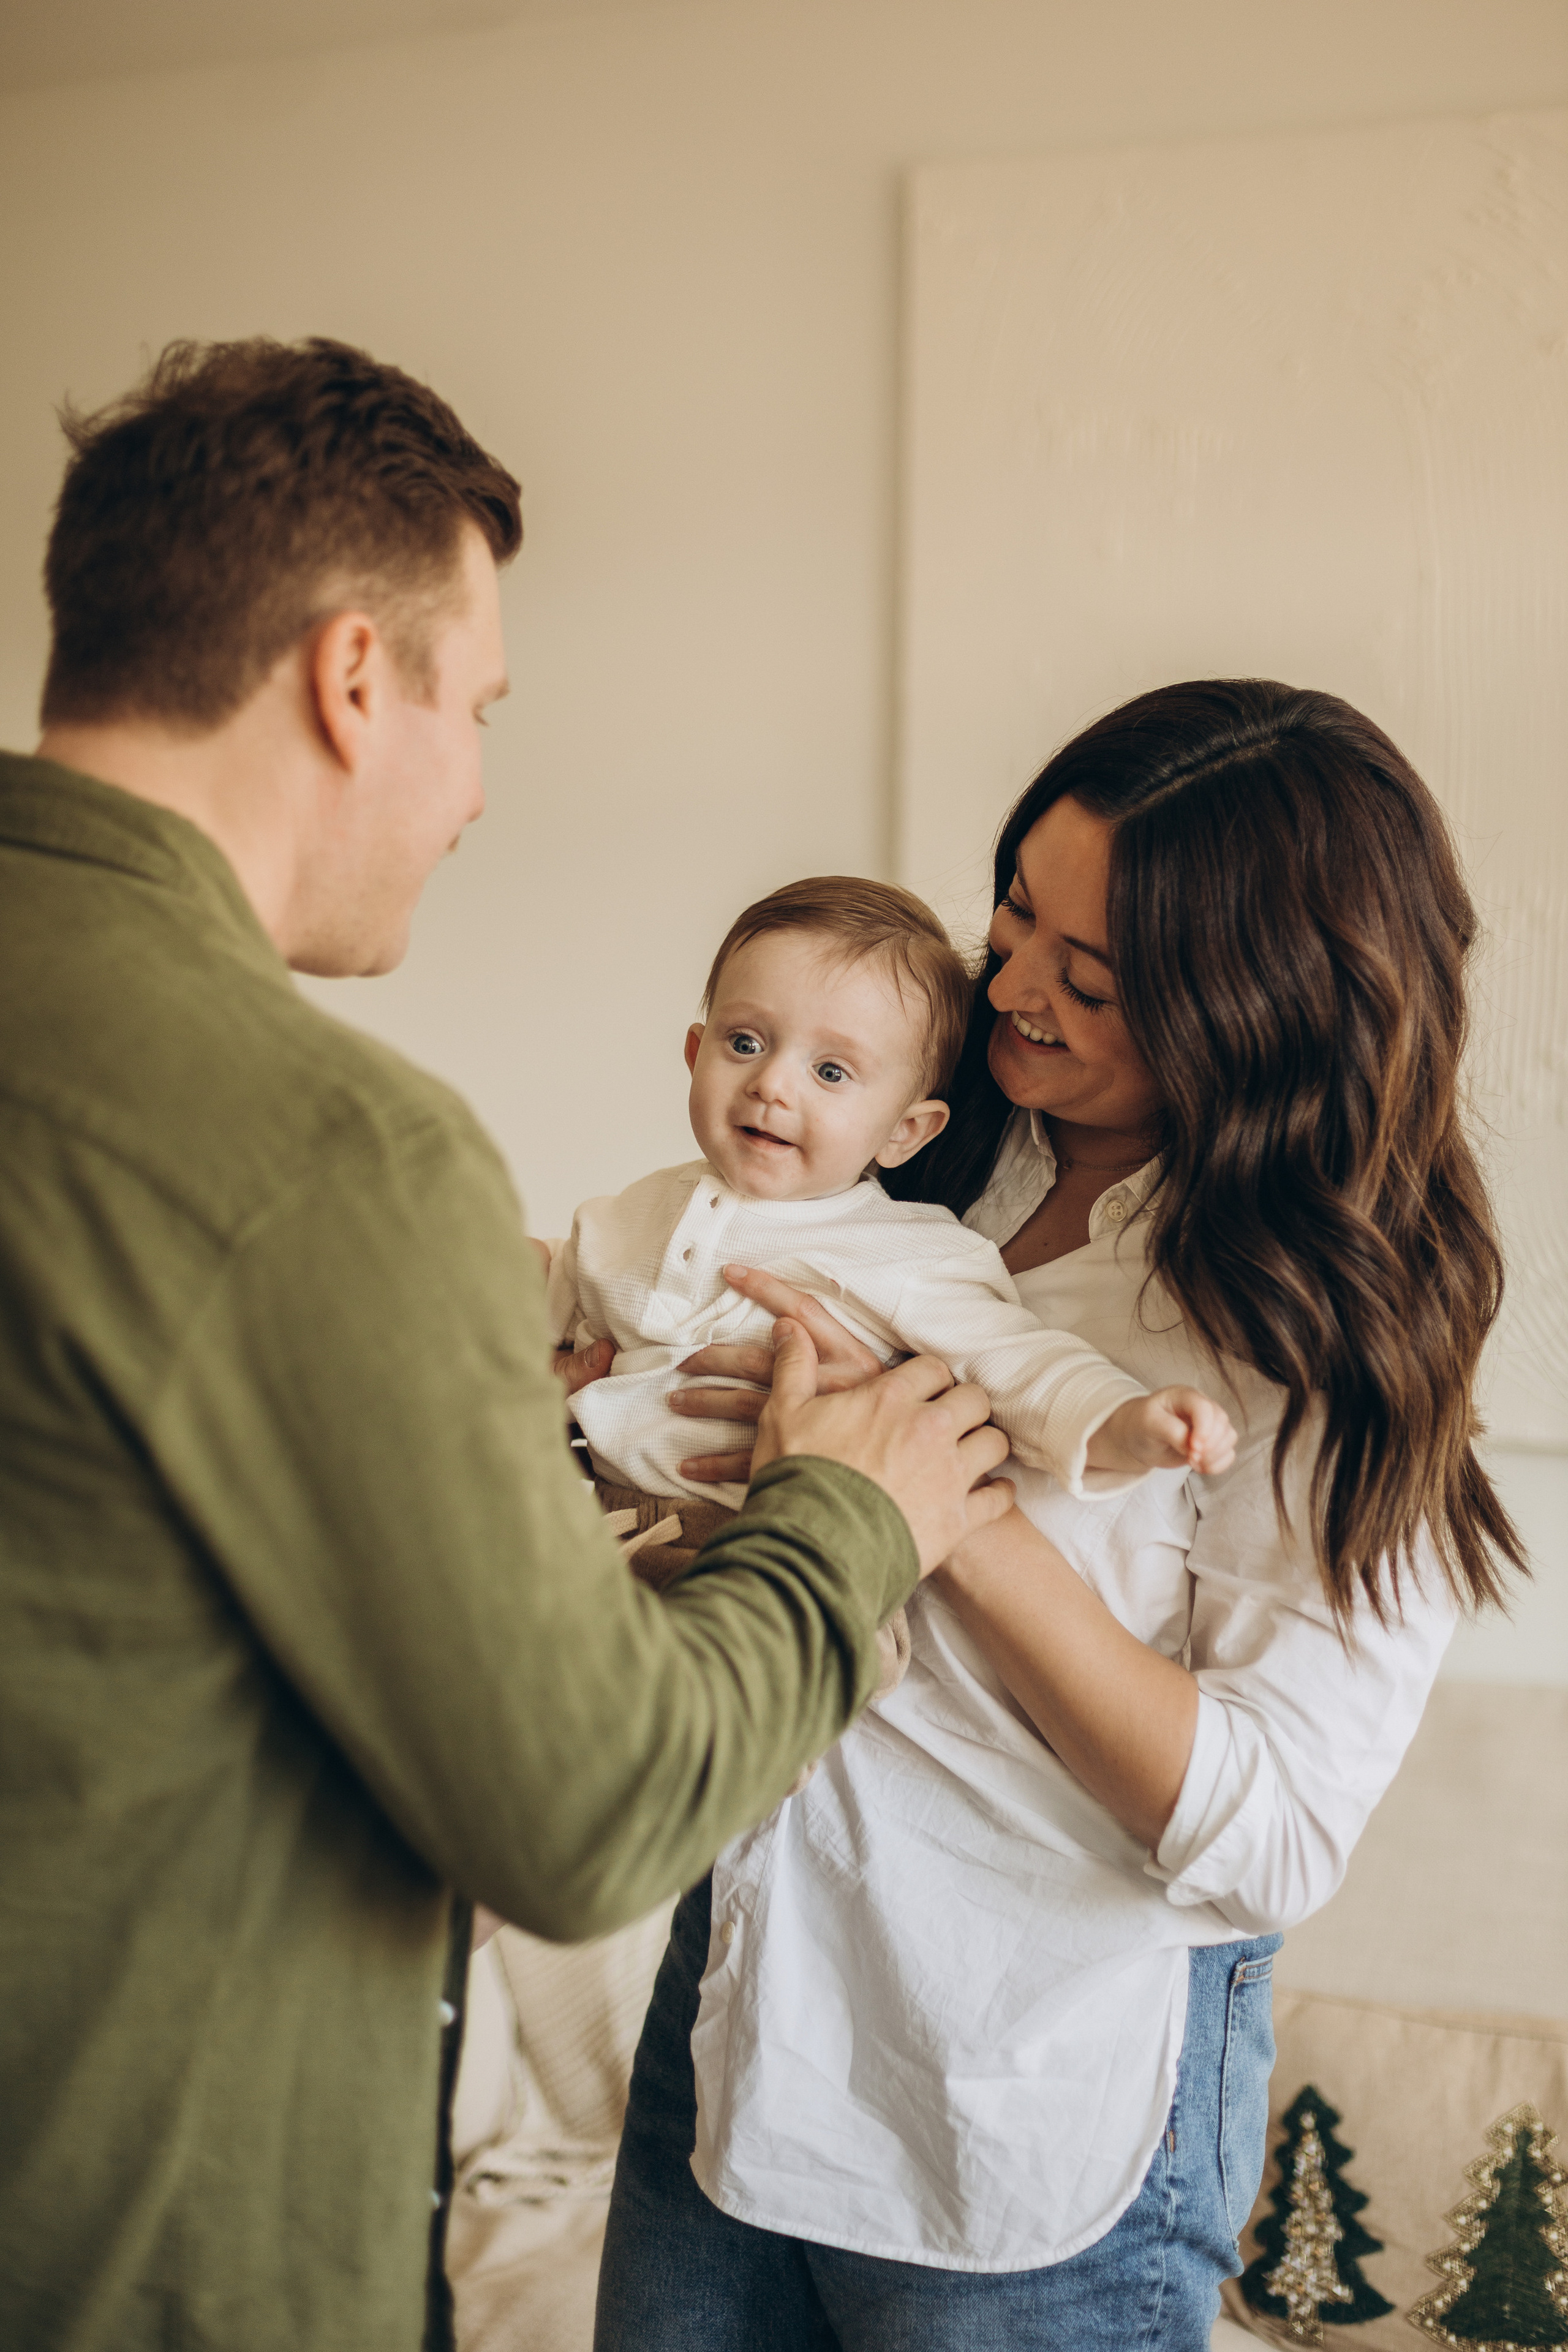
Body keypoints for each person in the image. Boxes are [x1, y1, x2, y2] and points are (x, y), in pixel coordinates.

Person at [0, 336, 1013, 2352]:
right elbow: (587, 1809)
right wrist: (842, 1521)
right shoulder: (329, 1151)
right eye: (478, 707)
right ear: (350, 676)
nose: (473, 784)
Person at [593, 679, 1526, 2351]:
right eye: (1015, 907)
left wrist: (953, 1518)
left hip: (1017, 2118)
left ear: (1259, 1006)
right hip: (745, 2018)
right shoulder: (921, 1155)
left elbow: (1274, 1834)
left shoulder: (1314, 1337)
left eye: (1087, 976)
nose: (1008, 987)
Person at [549, 873, 1237, 1698]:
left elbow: (1014, 1362)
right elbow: (558, 1283)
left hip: (766, 1543)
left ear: (907, 1131)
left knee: (698, 1700)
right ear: (695, 1055)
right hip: (592, 1502)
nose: (774, 1084)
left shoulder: (906, 1253)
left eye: (831, 1073)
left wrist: (1122, 1423)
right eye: (745, 1044)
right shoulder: (643, 1206)